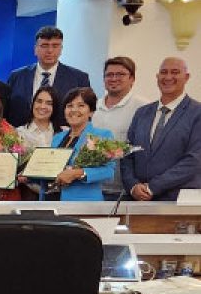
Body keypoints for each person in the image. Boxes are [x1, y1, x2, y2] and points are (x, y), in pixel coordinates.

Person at [122, 57, 201, 201]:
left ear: (186, 77)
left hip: (178, 201)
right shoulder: (142, 113)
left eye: (175, 72)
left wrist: (152, 187)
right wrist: (133, 186)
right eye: (164, 72)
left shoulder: (197, 113)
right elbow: (127, 153)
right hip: (138, 201)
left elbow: (194, 160)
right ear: (157, 77)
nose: (168, 77)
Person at [7, 26, 90, 128]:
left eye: (55, 46)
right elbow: (8, 113)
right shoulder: (16, 77)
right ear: (35, 49)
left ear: (61, 49)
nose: (50, 50)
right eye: (44, 45)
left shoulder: (79, 79)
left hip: (63, 141)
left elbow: (86, 116)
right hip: (21, 139)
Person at [92, 56, 149, 199]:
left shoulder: (143, 107)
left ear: (132, 79)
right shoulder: (93, 106)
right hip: (93, 186)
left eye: (120, 74)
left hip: (126, 189)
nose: (114, 78)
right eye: (109, 75)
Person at [49, 88, 114, 202]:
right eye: (69, 106)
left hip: (84, 203)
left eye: (81, 105)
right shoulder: (57, 138)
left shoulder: (101, 136)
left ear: (91, 111)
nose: (74, 110)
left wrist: (78, 173)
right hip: (52, 200)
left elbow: (109, 171)